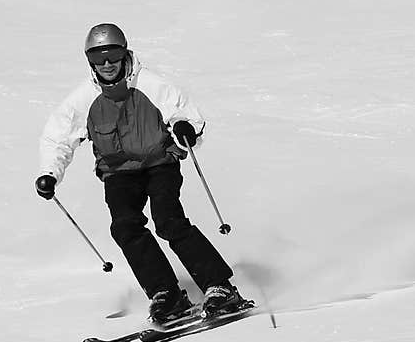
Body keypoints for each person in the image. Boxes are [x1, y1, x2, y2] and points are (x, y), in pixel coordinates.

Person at [34, 23, 253, 323]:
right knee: (125, 227)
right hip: (118, 172)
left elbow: (184, 112)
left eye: (113, 54)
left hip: (159, 162)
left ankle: (220, 287)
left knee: (168, 220)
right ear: (90, 61)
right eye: (99, 58)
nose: (107, 64)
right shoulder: (82, 100)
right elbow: (58, 139)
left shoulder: (150, 84)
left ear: (124, 52)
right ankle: (166, 294)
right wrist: (50, 173)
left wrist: (184, 128)